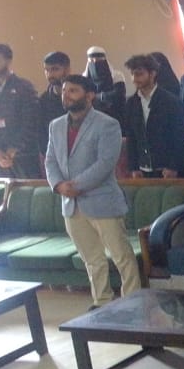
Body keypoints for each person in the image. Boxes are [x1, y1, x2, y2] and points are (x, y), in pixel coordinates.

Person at [45, 74, 142, 309]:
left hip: (101, 200)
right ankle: (102, 301)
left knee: (121, 255)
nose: (66, 95)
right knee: (91, 258)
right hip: (70, 203)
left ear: (89, 96)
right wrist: (58, 185)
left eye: (73, 91)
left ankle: (133, 301)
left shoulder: (107, 124)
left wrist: (75, 185)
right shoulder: (56, 126)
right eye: (64, 91)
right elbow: (50, 161)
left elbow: (105, 163)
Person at [0, 43, 42, 178]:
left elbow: (31, 120)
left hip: (25, 153)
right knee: (6, 190)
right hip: (0, 154)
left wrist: (14, 147)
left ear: (8, 60)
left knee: (30, 188)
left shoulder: (24, 86)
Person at [123, 54, 184, 178]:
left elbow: (179, 136)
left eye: (139, 74)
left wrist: (173, 166)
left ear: (152, 74)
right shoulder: (131, 103)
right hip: (143, 170)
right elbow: (131, 137)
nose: (134, 79)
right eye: (132, 74)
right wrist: (134, 167)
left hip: (166, 169)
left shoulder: (170, 101)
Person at [39, 50, 71, 155]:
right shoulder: (43, 100)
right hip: (55, 156)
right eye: (46, 70)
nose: (50, 74)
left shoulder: (81, 96)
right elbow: (42, 133)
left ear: (67, 70)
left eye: (55, 69)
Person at [85, 46, 127, 121]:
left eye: (98, 60)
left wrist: (98, 97)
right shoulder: (84, 78)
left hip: (115, 116)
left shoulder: (117, 76)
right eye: (92, 60)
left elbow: (119, 95)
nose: (95, 62)